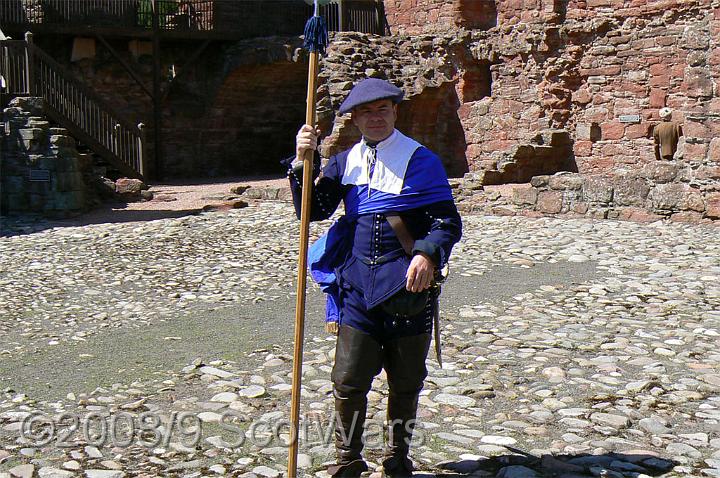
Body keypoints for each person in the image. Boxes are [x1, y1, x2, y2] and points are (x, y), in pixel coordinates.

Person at [284, 78, 462, 477]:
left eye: (382, 109)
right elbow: (312, 211)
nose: (375, 117)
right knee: (348, 380)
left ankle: (398, 456)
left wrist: (426, 254)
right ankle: (348, 460)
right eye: (366, 111)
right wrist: (302, 162)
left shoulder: (421, 160)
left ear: (395, 112)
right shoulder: (344, 161)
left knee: (406, 381)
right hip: (357, 288)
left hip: (407, 289)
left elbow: (447, 222)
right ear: (355, 118)